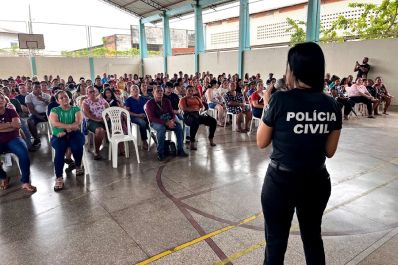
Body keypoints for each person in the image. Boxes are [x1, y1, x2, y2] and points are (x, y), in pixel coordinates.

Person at [257, 42, 342, 265]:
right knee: (313, 239)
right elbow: (330, 151)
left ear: (293, 70)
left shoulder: (279, 100)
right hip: (316, 181)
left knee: (275, 243)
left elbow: (261, 142)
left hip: (280, 182)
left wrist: (268, 106)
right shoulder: (332, 104)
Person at [0, 91, 37, 192]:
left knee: (24, 154)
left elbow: (17, 125)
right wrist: (10, 124)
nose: (0, 100)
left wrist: (6, 126)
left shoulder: (11, 110)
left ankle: (25, 182)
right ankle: (3, 177)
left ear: (5, 100)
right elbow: (13, 125)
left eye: (2, 98)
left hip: (14, 138)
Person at [49, 91, 85, 191]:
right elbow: (55, 123)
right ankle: (59, 177)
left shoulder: (75, 109)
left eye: (66, 96)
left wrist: (67, 128)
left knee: (76, 146)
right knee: (60, 150)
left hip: (74, 132)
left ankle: (78, 166)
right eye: (61, 98)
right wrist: (68, 127)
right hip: (59, 134)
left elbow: (78, 122)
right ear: (57, 101)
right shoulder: (55, 110)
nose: (64, 98)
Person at [145, 86, 188, 161]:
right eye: (158, 91)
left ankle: (180, 150)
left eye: (161, 91)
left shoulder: (166, 101)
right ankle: (160, 152)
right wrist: (166, 123)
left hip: (168, 121)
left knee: (178, 127)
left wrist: (172, 120)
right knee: (161, 128)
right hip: (155, 122)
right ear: (153, 93)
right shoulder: (150, 103)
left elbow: (172, 113)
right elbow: (151, 118)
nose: (160, 92)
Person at [179, 86, 217, 150]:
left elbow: (202, 106)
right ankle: (192, 142)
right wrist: (194, 109)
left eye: (192, 90)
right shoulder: (183, 99)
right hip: (188, 117)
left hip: (197, 114)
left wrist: (201, 109)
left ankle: (211, 139)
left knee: (213, 121)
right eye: (189, 91)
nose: (191, 92)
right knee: (195, 121)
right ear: (186, 91)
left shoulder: (196, 98)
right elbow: (184, 108)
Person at [82, 86, 109, 160]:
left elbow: (108, 108)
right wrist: (98, 120)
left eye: (94, 91)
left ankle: (120, 148)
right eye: (90, 92)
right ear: (87, 93)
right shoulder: (86, 102)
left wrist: (106, 117)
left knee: (118, 126)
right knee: (99, 130)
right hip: (92, 121)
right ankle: (97, 151)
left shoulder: (101, 100)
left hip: (104, 119)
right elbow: (87, 114)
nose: (93, 93)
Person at [25, 81, 51, 147]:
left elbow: (50, 105)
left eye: (39, 87)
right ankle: (36, 139)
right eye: (36, 87)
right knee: (30, 121)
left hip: (47, 114)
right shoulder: (28, 97)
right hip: (35, 115)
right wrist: (39, 116)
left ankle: (55, 136)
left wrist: (43, 100)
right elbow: (31, 109)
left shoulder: (46, 95)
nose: (38, 89)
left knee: (55, 119)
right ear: (32, 88)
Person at [124, 85, 149, 150]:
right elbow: (127, 111)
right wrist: (138, 115)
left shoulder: (143, 98)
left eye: (137, 89)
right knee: (142, 123)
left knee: (151, 121)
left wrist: (146, 114)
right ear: (131, 91)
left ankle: (155, 138)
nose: (135, 90)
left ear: (139, 90)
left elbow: (148, 108)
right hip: (134, 117)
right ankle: (144, 141)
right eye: (133, 89)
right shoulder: (128, 100)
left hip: (144, 115)